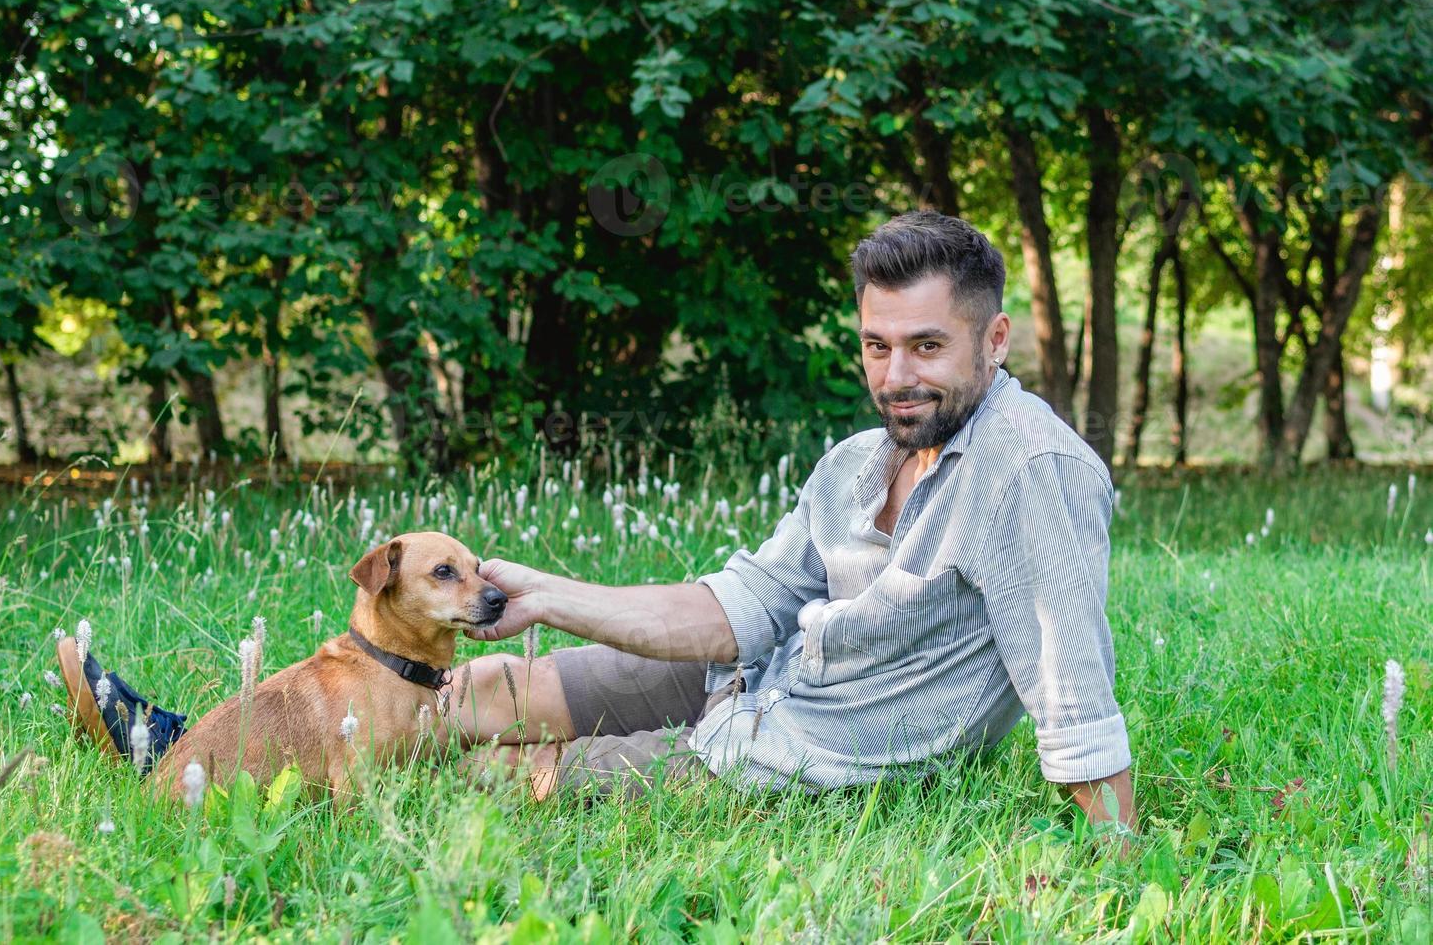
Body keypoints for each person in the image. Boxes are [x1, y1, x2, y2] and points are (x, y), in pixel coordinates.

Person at [455, 211, 1136, 831]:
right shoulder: (855, 463)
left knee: (497, 772)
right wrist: (548, 598)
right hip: (746, 677)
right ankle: (351, 705)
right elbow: (743, 608)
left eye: (928, 347)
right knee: (484, 692)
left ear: (995, 340)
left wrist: (1124, 868)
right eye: (877, 346)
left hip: (790, 761)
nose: (896, 376)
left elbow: (1069, 687)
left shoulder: (1029, 468)